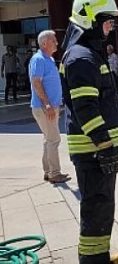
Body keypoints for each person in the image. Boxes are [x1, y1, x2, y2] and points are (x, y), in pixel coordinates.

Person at [60, 0, 118, 264]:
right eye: (107, 21)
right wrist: (104, 145)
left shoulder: (88, 54)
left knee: (102, 206)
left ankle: (99, 257)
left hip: (98, 149)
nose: (110, 28)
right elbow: (86, 108)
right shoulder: (81, 58)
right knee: (96, 207)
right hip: (92, 150)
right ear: (90, 19)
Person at [29, 31, 70, 184]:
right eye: (54, 41)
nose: (56, 43)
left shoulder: (49, 59)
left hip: (50, 106)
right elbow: (36, 82)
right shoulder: (39, 59)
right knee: (54, 139)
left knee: (49, 140)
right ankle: (54, 173)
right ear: (44, 43)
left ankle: (48, 171)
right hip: (45, 107)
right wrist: (47, 104)